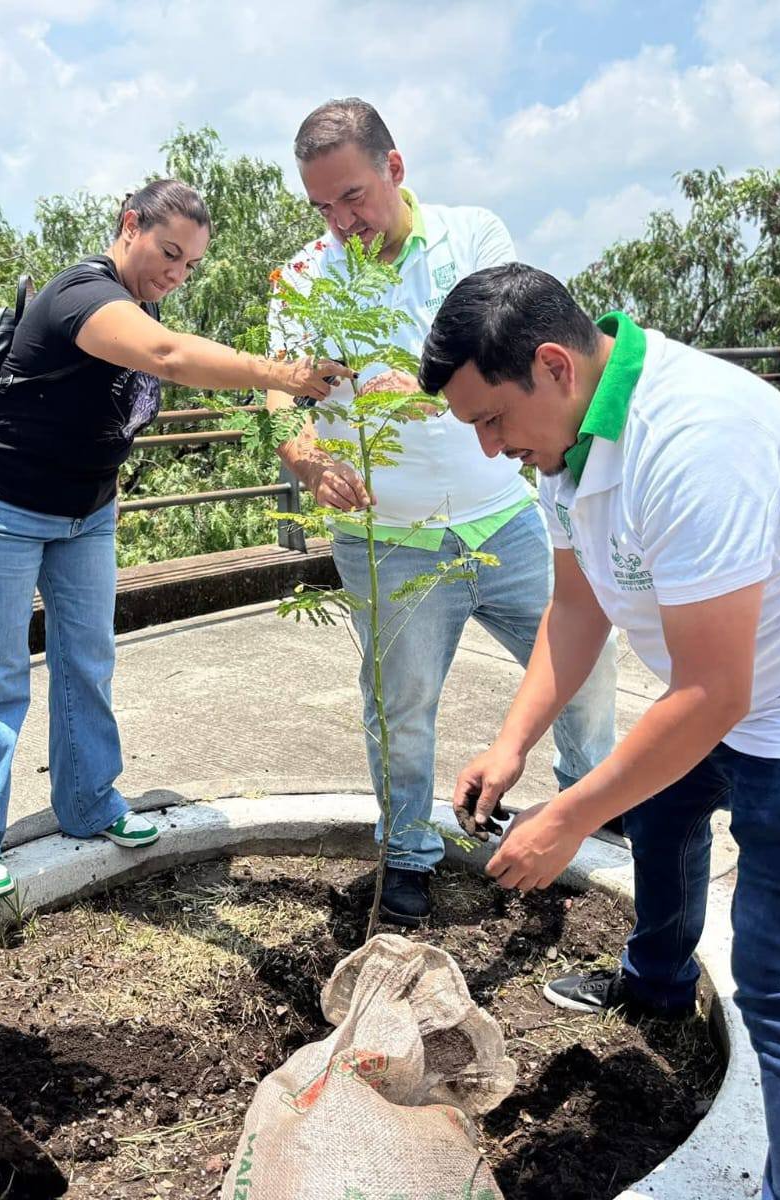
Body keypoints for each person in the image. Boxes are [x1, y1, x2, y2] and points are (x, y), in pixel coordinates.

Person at [424, 264, 780, 1200]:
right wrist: (512, 742)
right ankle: (655, 979)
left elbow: (715, 693)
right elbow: (577, 608)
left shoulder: (693, 441)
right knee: (658, 811)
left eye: (490, 419)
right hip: (724, 678)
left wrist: (569, 816)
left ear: (555, 365)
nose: (489, 448)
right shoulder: (564, 445)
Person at [0, 179, 349, 900]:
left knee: (88, 660)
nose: (177, 273)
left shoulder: (141, 300)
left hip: (86, 513)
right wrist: (281, 374)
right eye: (169, 252)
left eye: (190, 264)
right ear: (130, 225)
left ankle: (90, 802)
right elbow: (167, 356)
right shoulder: (82, 295)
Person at [266, 99, 618, 926]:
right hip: (386, 535)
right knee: (401, 705)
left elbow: (502, 357)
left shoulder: (474, 238)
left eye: (353, 196)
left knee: (586, 665)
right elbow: (279, 397)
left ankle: (591, 814)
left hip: (504, 515)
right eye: (321, 206)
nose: (341, 221)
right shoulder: (303, 279)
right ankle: (408, 854)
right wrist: (308, 459)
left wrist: (416, 389)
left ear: (394, 167)